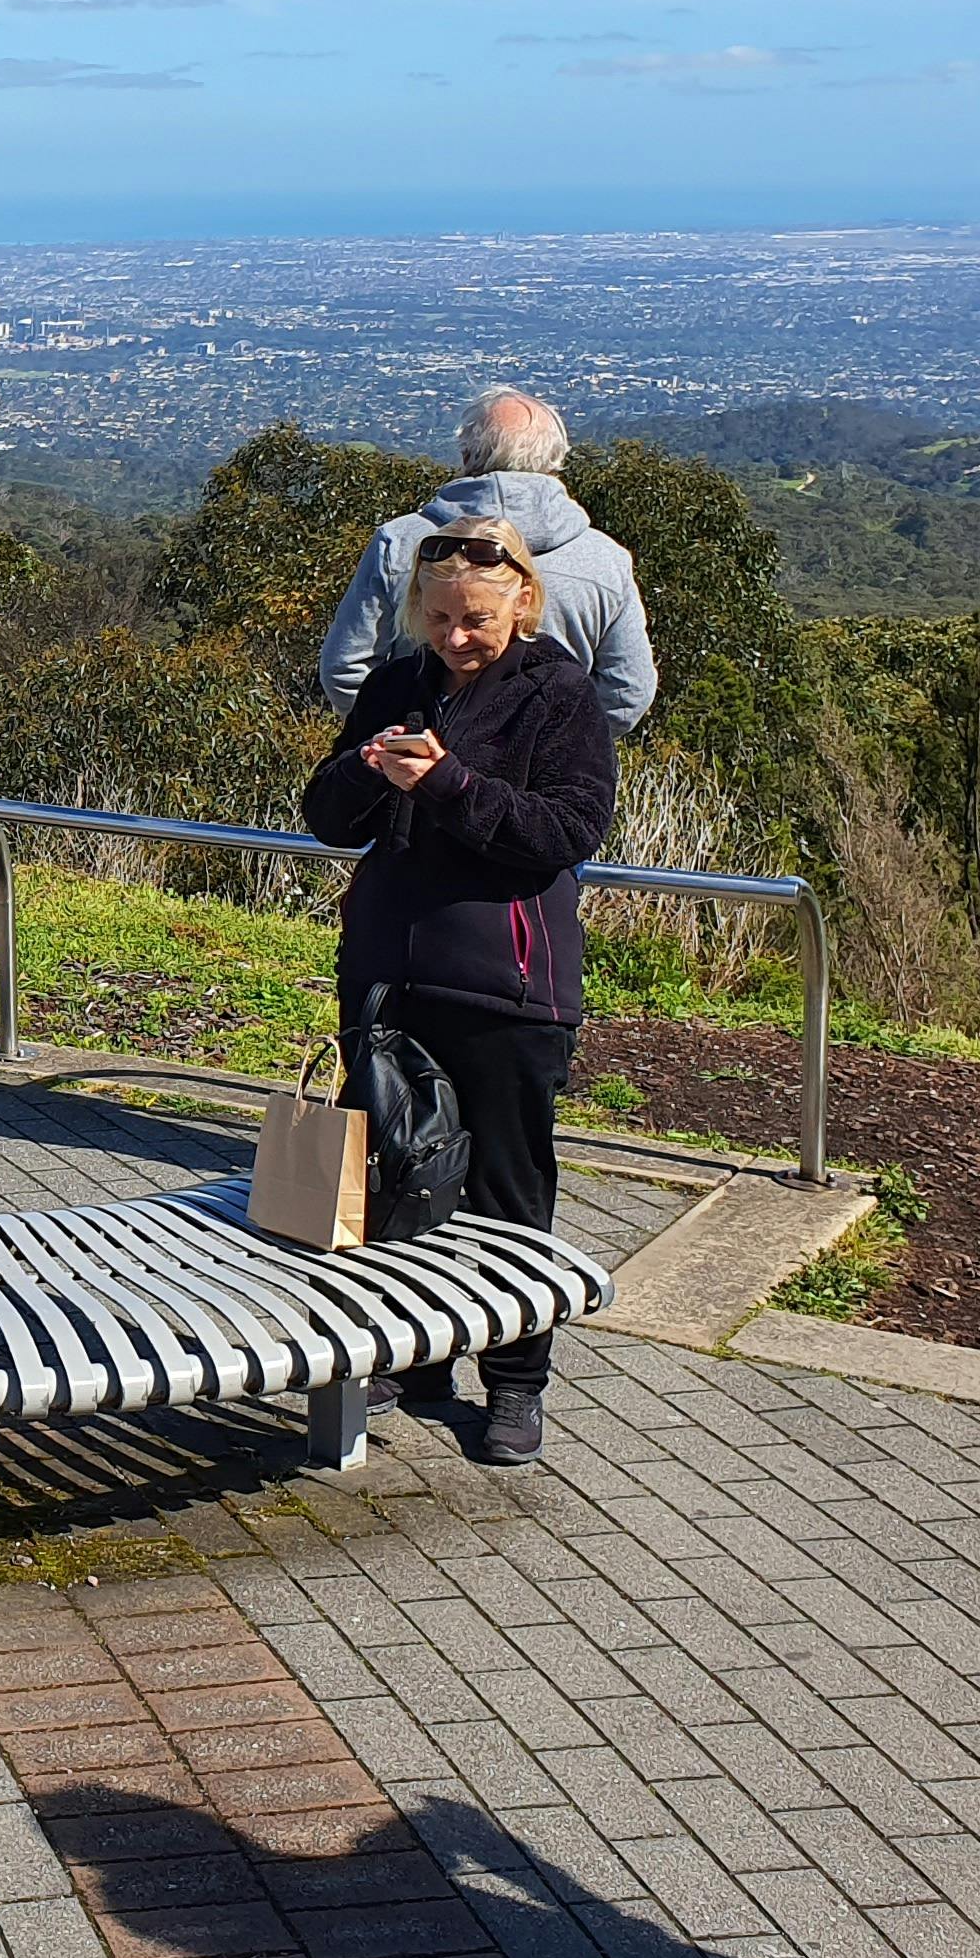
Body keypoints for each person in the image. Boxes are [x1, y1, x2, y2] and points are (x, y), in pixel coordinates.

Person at [302, 516, 618, 1470]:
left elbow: (567, 831)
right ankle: (414, 1352)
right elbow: (326, 819)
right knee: (393, 1177)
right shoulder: (398, 683)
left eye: (476, 619)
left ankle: (516, 1380)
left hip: (505, 982)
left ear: (522, 603)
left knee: (508, 1188)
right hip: (388, 970)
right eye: (439, 618)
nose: (456, 638)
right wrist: (366, 769)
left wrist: (449, 785)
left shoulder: (559, 694)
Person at [320, 387, 657, 737]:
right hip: (552, 766)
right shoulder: (605, 559)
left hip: (416, 762)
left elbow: (346, 666)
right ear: (554, 460)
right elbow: (628, 690)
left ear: (467, 455)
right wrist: (559, 746)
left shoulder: (400, 543)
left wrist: (399, 742)